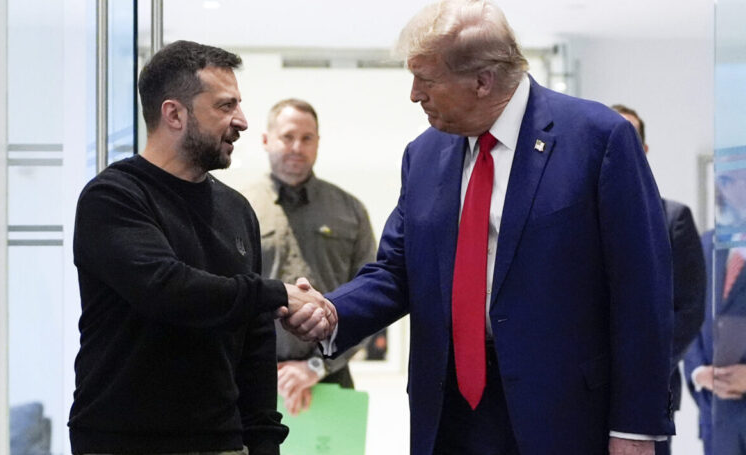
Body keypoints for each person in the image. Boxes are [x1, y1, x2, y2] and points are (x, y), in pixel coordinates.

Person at [304, 1, 675, 453]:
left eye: (426, 79)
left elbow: (642, 291)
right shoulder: (423, 155)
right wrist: (332, 311)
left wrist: (636, 428)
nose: (414, 95)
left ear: (483, 81)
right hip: (450, 415)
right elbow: (397, 271)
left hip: (564, 417)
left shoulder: (598, 138)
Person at [68, 40, 334, 455]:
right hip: (123, 443)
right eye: (225, 106)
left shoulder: (237, 209)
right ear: (174, 114)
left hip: (222, 442)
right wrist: (277, 294)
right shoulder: (114, 197)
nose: (242, 121)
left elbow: (254, 343)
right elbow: (167, 289)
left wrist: (264, 442)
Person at [244, 98, 377, 416]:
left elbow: (370, 299)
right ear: (266, 140)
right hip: (254, 383)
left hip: (331, 383)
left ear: (318, 142)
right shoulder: (239, 208)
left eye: (307, 138)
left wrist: (316, 367)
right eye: (287, 137)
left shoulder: (350, 210)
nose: (297, 147)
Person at [611, 104, 706, 434]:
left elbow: (690, 309)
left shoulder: (674, 219)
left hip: (652, 388)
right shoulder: (576, 218)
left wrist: (644, 366)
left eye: (628, 140)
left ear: (644, 149)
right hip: (583, 390)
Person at [684, 167, 746, 455]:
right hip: (717, 421)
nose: (734, 188)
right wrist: (698, 372)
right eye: (727, 180)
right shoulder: (706, 244)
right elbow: (687, 316)